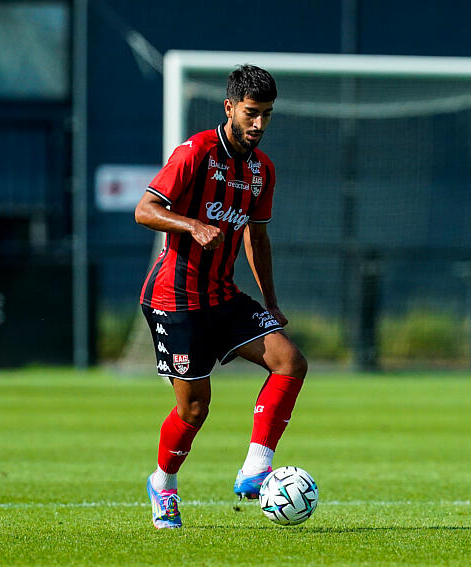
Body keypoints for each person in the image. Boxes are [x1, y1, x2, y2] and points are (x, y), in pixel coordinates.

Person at [134, 65, 307, 529]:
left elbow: (258, 237)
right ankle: (163, 483)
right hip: (175, 300)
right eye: (252, 113)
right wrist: (192, 224)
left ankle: (256, 468)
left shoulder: (261, 170)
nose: (259, 124)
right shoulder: (195, 152)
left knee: (290, 362)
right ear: (229, 107)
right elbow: (145, 210)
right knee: (194, 408)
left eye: (268, 115)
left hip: (221, 295)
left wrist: (270, 301)